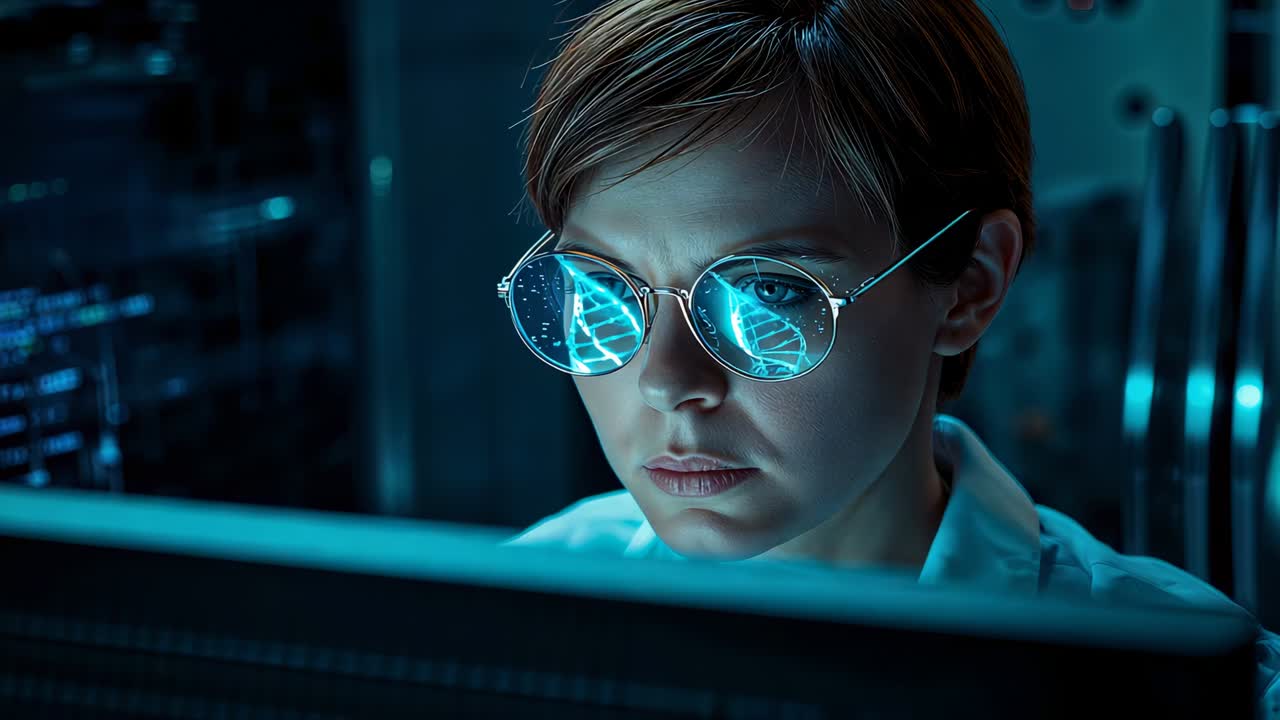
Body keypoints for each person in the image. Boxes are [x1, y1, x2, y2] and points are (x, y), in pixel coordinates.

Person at [497, 0, 1279, 713]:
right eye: (603, 293)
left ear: (970, 284)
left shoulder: (1189, 689)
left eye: (769, 294)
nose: (667, 382)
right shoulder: (518, 611)